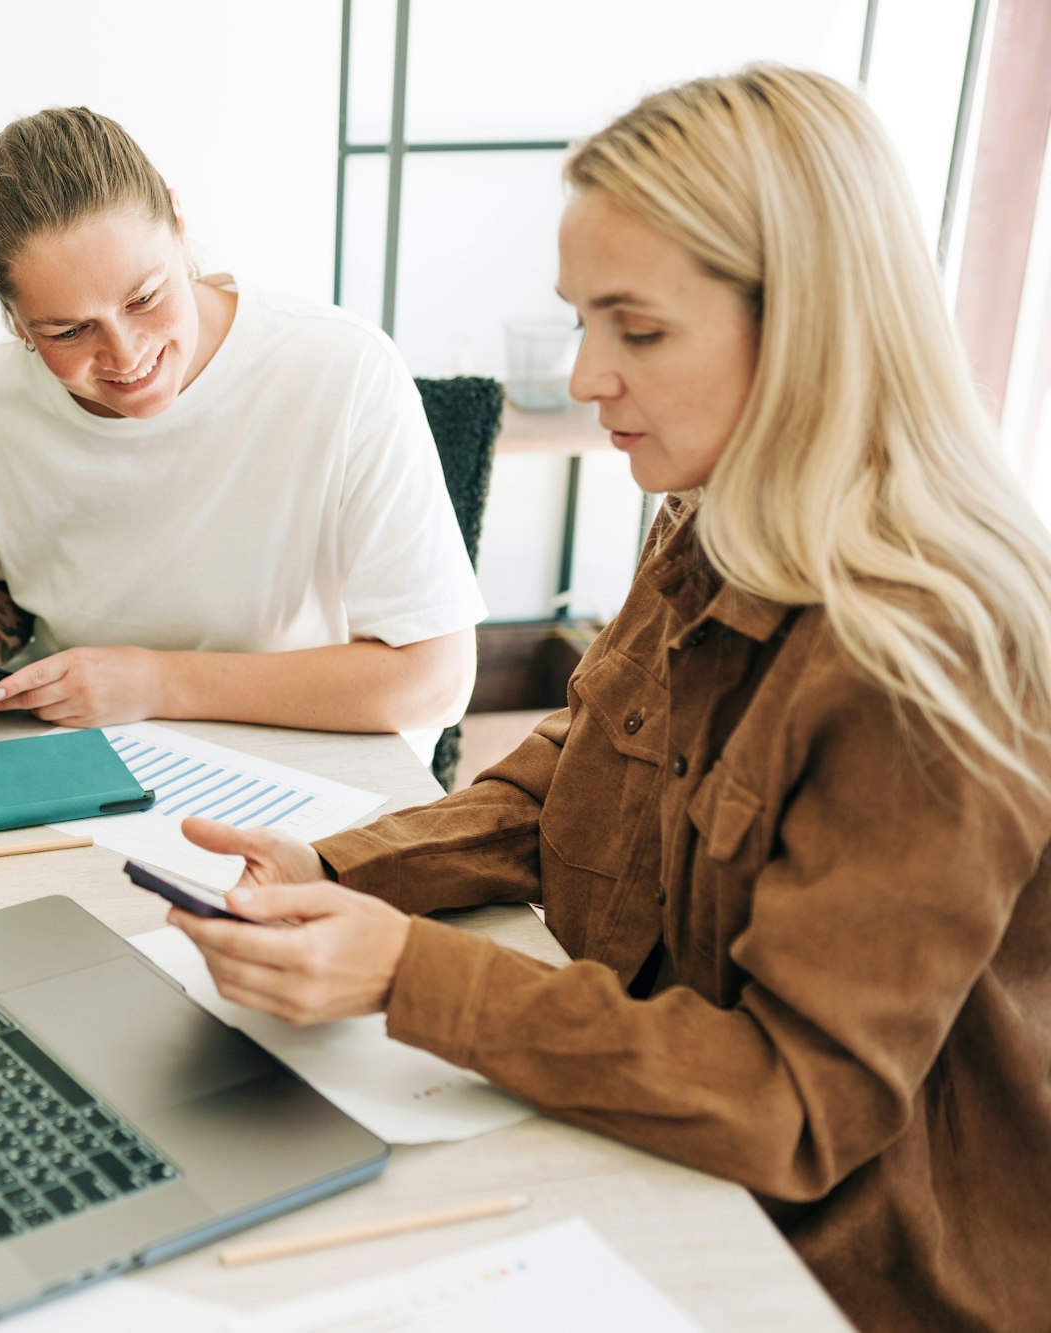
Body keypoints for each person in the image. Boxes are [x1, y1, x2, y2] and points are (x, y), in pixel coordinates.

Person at [167, 66, 1051, 1332]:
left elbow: (793, 1103)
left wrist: (409, 974)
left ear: (804, 323)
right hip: (661, 1153)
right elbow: (574, 773)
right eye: (580, 321)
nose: (584, 379)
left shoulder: (929, 649)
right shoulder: (711, 518)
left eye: (634, 330)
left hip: (851, 1269)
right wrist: (336, 871)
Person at [0, 107, 483, 758]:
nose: (125, 356)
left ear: (180, 226)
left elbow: (436, 679)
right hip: (80, 755)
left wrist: (155, 681)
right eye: (68, 331)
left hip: (309, 758)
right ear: (8, 308)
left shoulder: (341, 369)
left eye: (145, 297)